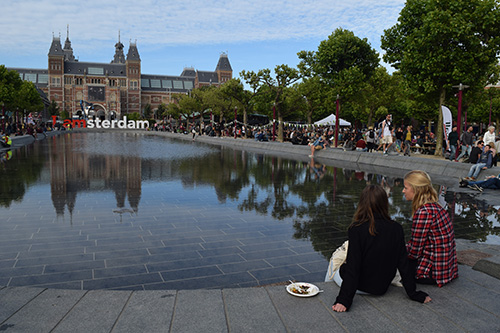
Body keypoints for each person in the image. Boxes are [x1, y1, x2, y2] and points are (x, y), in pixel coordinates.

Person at [331, 184, 431, 312]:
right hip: (382, 286)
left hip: (363, 286)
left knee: (335, 260)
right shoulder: (396, 228)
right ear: (384, 203)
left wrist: (343, 301)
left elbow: (353, 266)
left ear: (362, 203)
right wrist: (413, 293)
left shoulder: (357, 229)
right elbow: (403, 263)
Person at [403, 171, 458, 287]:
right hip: (446, 269)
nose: (403, 191)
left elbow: (414, 251)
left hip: (432, 272)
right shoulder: (435, 206)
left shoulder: (424, 212)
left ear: (416, 190)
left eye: (405, 188)